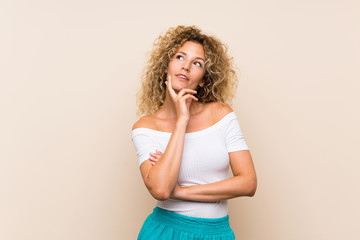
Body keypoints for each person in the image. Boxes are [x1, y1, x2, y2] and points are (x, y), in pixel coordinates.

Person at [131, 25, 257, 240]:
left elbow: (248, 183)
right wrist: (182, 121)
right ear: (165, 67)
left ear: (204, 79)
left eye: (197, 63)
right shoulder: (146, 126)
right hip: (164, 232)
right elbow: (161, 190)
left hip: (216, 233)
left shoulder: (221, 115)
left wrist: (180, 192)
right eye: (180, 57)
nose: (186, 67)